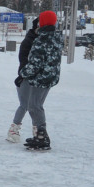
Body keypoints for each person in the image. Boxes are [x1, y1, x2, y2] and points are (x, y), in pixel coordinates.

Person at [20, 10, 64, 150]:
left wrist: (23, 73)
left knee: (34, 106)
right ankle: (40, 135)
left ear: (43, 22)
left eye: (40, 20)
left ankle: (42, 136)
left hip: (40, 78)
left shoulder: (42, 39)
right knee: (37, 105)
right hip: (50, 77)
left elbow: (35, 63)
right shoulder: (56, 37)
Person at [6, 17, 39, 142]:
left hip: (36, 78)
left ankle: (38, 131)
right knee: (25, 105)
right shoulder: (29, 40)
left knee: (36, 106)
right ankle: (13, 130)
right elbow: (23, 59)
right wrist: (26, 73)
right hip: (25, 77)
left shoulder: (41, 41)